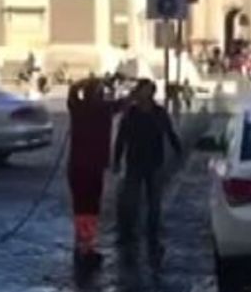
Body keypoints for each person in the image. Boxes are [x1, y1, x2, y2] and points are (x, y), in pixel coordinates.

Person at [114, 79, 183, 248]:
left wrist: (178, 151)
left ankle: (152, 232)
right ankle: (129, 232)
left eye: (145, 91)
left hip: (154, 162)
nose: (142, 94)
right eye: (140, 91)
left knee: (154, 200)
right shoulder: (130, 113)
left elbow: (169, 132)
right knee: (131, 199)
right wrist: (116, 159)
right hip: (134, 161)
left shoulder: (159, 113)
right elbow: (121, 138)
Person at [67, 78, 124, 268]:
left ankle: (82, 245)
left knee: (81, 208)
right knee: (90, 209)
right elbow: (125, 102)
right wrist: (108, 83)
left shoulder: (78, 108)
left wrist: (85, 82)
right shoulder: (104, 109)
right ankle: (86, 247)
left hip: (77, 166)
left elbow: (73, 90)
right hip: (93, 166)